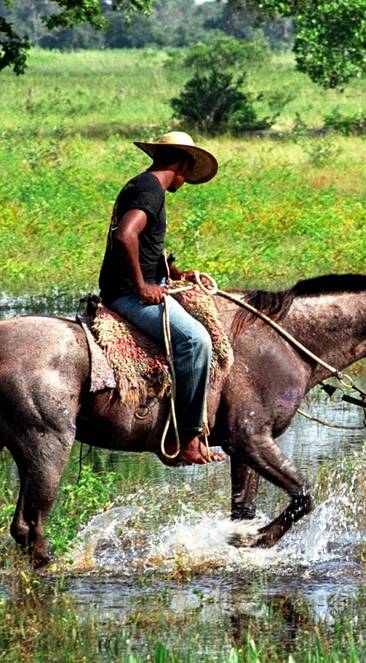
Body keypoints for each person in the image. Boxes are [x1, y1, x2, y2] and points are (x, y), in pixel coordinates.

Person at [99, 131, 225, 466]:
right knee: (195, 340)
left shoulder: (141, 184)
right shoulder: (151, 189)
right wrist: (142, 287)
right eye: (189, 170)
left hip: (131, 285)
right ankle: (187, 437)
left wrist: (176, 273)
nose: (186, 179)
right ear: (183, 163)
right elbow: (126, 235)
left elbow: (146, 245)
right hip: (127, 294)